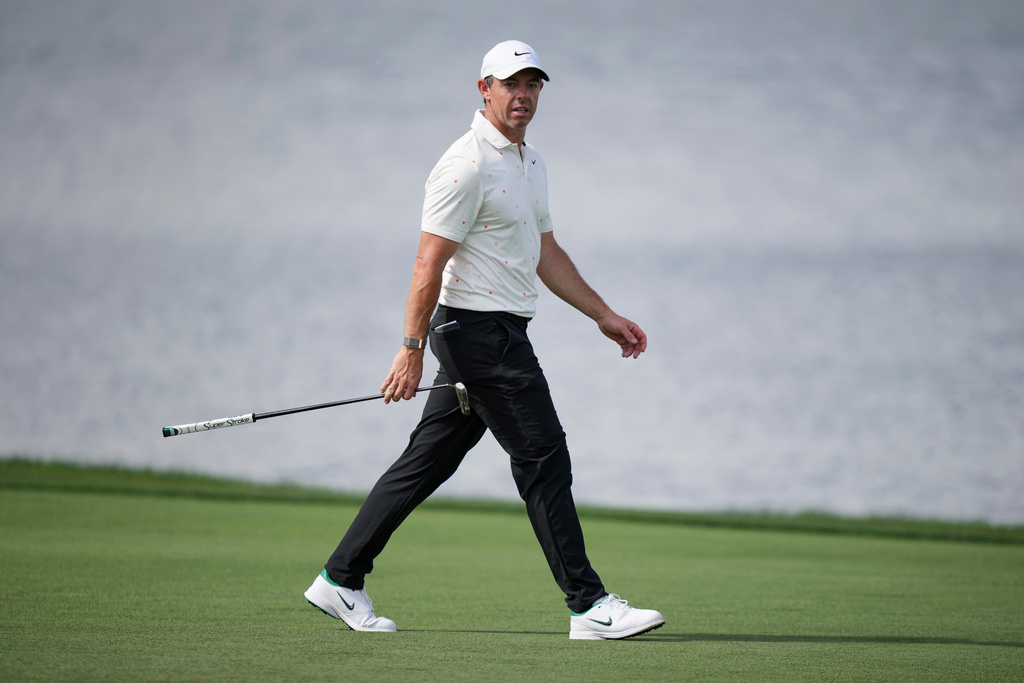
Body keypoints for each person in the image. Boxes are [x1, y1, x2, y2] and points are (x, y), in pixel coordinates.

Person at [304, 40, 664, 641]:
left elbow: (546, 252)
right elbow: (428, 261)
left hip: (494, 329)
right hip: (477, 331)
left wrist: (601, 314)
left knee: (428, 460)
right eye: (511, 85)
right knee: (543, 453)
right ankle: (589, 605)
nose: (523, 96)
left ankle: (340, 579)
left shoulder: (529, 162)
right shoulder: (465, 163)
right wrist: (409, 348)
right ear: (484, 90)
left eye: (533, 85)